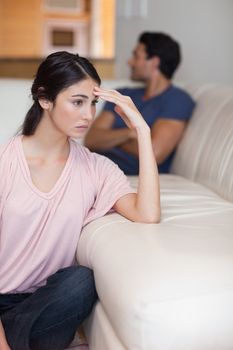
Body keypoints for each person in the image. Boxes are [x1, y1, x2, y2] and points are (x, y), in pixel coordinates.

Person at [0, 51, 160, 350]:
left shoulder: (96, 168)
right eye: (77, 102)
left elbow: (147, 213)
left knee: (81, 281)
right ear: (45, 99)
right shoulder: (5, 161)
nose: (88, 115)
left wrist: (142, 130)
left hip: (42, 305)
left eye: (93, 102)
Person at [84, 32, 196, 175]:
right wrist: (132, 133)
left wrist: (111, 138)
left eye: (136, 56)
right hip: (92, 164)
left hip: (125, 174)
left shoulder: (177, 100)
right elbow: (92, 139)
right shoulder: (122, 94)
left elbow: (155, 152)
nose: (129, 62)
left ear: (154, 62)